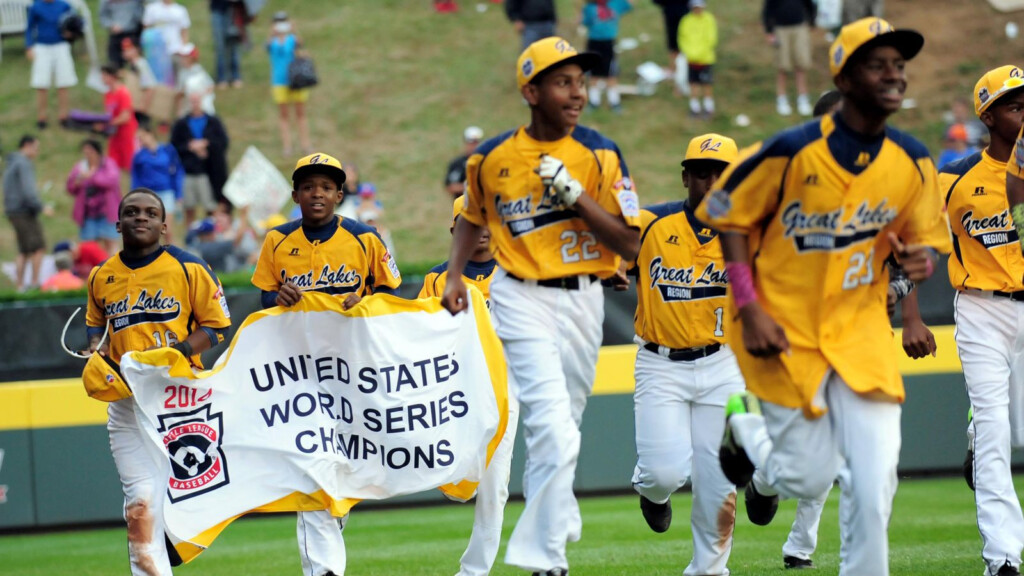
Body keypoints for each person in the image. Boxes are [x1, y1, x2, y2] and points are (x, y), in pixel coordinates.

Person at [698, 18, 951, 576]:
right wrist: (748, 305)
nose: (893, 76)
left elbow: (923, 244)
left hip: (860, 329)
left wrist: (918, 260)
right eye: (877, 64)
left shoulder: (913, 160)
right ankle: (743, 427)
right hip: (786, 331)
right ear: (844, 75)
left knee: (877, 473)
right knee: (806, 478)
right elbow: (726, 217)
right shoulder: (789, 151)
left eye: (899, 65)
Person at [441, 37, 640, 576]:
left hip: (585, 298)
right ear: (530, 91)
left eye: (580, 80)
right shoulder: (492, 158)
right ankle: (546, 559)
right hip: (519, 293)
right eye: (562, 82)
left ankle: (554, 517)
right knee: (551, 427)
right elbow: (474, 218)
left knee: (564, 429)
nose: (576, 92)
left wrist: (576, 197)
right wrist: (456, 273)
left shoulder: (601, 152)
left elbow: (631, 244)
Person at [251, 152, 401, 576]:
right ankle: (323, 569)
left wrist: (366, 300)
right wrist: (276, 298)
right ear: (295, 194)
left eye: (326, 186)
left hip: (356, 372)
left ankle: (337, 509)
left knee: (350, 466)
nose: (317, 192)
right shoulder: (277, 241)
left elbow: (392, 295)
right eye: (309, 185)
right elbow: (264, 297)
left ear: (339, 193)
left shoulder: (364, 237)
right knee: (315, 468)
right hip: (300, 374)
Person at [85, 187, 231, 576]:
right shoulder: (102, 275)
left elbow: (218, 327)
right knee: (141, 499)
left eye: (151, 212)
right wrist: (94, 354)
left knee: (186, 498)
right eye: (132, 212)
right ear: (117, 224)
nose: (141, 217)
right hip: (128, 404)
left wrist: (179, 351)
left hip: (178, 400)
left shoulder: (188, 267)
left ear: (165, 225)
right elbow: (95, 327)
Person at [628, 133, 740, 575]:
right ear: (685, 177)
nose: (710, 182)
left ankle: (709, 570)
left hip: (724, 361)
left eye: (721, 174)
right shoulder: (650, 223)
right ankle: (650, 491)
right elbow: (608, 243)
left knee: (718, 482)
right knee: (664, 473)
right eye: (700, 172)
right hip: (660, 364)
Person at [947, 65, 1024, 576]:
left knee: (1013, 433)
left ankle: (977, 428)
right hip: (981, 308)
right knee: (999, 433)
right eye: (1015, 103)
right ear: (988, 114)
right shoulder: (954, 178)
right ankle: (1003, 557)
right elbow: (914, 235)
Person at [419, 198, 513, 576]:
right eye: (470, 222)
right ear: (455, 230)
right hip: (452, 390)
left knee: (495, 487)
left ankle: (474, 571)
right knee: (462, 479)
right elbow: (419, 333)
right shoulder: (437, 279)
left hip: (504, 389)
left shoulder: (515, 272)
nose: (482, 229)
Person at [171, 92, 230, 228]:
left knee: (211, 206)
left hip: (209, 172)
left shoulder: (213, 121)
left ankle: (212, 232)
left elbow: (222, 142)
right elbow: (174, 145)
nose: (194, 104)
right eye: (192, 101)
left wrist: (206, 145)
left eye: (196, 101)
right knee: (189, 207)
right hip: (188, 171)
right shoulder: (181, 124)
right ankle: (191, 235)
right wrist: (190, 147)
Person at [3, 135, 47, 291]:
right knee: (38, 247)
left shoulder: (12, 162)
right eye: (36, 148)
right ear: (27, 145)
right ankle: (35, 283)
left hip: (13, 211)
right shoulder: (23, 163)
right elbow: (28, 191)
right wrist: (41, 207)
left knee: (23, 250)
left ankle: (19, 285)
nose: (37, 152)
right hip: (24, 211)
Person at [26, 0, 78, 129]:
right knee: (41, 84)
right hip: (42, 46)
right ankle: (42, 117)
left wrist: (71, 33)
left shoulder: (64, 5)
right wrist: (29, 46)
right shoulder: (36, 6)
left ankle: (63, 116)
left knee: (63, 82)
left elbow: (75, 22)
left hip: (60, 45)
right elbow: (29, 27)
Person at [67, 139, 123, 255]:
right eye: (85, 153)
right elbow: (70, 186)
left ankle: (114, 269)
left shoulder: (108, 164)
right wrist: (77, 183)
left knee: (111, 242)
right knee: (89, 246)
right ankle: (95, 270)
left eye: (90, 152)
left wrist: (91, 177)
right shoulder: (80, 167)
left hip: (107, 212)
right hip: (88, 213)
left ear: (97, 152)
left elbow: (111, 181)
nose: (88, 156)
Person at [267, 11, 312, 156]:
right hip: (279, 81)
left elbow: (302, 46)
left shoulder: (292, 39)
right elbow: (268, 47)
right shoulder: (271, 41)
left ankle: (305, 144)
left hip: (295, 79)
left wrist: (294, 29)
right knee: (284, 114)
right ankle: (287, 145)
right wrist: (272, 33)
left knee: (300, 112)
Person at [132, 121, 183, 245]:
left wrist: (179, 194)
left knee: (167, 229)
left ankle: (172, 255)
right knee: (150, 230)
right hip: (148, 194)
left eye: (142, 137)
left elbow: (177, 172)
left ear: (150, 134)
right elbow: (136, 178)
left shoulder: (167, 150)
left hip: (166, 192)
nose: (141, 140)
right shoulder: (139, 156)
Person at [762, 0, 816, 117]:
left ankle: (802, 97)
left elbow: (810, 5)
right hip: (780, 29)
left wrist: (812, 22)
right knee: (782, 66)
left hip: (799, 28)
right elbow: (767, 10)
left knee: (801, 64)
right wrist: (769, 32)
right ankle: (781, 98)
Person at [580, 0, 631, 114]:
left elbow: (629, 5)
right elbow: (585, 21)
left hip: (609, 42)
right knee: (594, 73)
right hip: (594, 42)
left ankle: (614, 102)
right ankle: (594, 101)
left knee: (611, 73)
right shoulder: (590, 7)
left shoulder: (616, 3)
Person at [678, 0, 717, 117]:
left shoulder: (709, 19)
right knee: (693, 83)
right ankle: (695, 107)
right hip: (691, 59)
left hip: (706, 58)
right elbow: (682, 39)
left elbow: (711, 39)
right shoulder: (686, 21)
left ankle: (708, 106)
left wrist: (700, 53)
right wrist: (690, 53)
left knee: (707, 83)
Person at [100, 64, 138, 173]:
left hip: (126, 134)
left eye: (104, 75)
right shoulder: (107, 94)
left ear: (111, 76)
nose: (102, 79)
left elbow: (125, 116)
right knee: (112, 165)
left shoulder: (123, 93)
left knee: (130, 164)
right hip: (114, 135)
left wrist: (109, 123)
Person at [142, 0, 190, 85]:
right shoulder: (152, 8)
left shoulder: (180, 10)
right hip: (157, 51)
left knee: (176, 79)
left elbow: (184, 31)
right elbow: (146, 29)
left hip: (175, 50)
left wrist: (183, 48)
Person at [652, 0, 688, 93]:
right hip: (671, 11)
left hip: (685, 12)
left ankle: (685, 71)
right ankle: (674, 69)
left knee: (686, 41)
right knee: (673, 42)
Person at [210, 0, 247, 89]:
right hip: (218, 10)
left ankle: (235, 76)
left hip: (233, 10)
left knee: (234, 45)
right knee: (220, 46)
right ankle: (222, 77)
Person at [121, 38, 157, 123]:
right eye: (124, 50)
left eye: (129, 49)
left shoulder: (141, 64)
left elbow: (150, 87)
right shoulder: (132, 65)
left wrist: (143, 106)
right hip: (133, 107)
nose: (126, 52)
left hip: (140, 108)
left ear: (136, 49)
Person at [174, 43, 215, 117]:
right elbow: (179, 94)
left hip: (202, 102)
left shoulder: (199, 70)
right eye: (182, 57)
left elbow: (210, 85)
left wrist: (202, 97)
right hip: (188, 104)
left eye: (185, 57)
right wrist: (179, 110)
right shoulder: (182, 73)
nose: (183, 59)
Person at [99, 0, 143, 67]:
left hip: (133, 32)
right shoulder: (106, 2)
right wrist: (111, 25)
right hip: (116, 34)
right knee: (114, 63)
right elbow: (103, 17)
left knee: (135, 63)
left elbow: (141, 13)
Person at [444, 126, 484, 199]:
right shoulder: (457, 164)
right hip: (462, 206)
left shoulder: (485, 162)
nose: (473, 146)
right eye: (471, 143)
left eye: (476, 143)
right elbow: (451, 186)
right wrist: (472, 188)